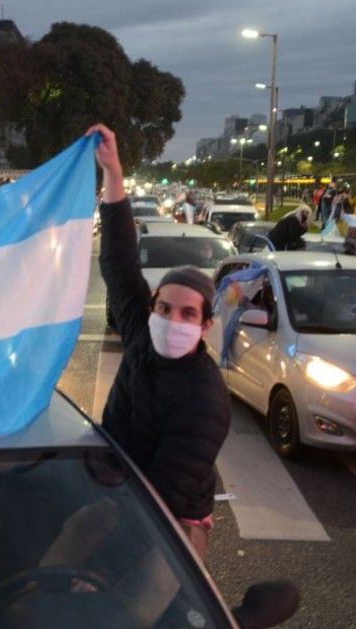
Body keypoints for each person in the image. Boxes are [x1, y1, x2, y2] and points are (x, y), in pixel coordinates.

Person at [89, 122, 231, 563]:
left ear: (206, 326)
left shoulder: (205, 398)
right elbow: (118, 263)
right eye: (165, 308)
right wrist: (113, 172)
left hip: (172, 516)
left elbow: (166, 493)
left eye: (188, 313)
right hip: (118, 490)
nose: (172, 320)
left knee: (159, 595)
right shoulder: (140, 337)